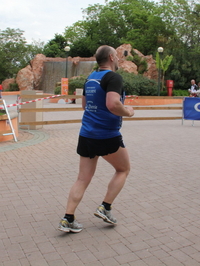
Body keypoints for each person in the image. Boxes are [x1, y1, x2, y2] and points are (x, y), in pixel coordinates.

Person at [58, 45, 135, 233]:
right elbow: (112, 104)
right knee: (123, 169)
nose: (118, 58)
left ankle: (68, 218)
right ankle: (105, 208)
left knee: (82, 179)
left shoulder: (90, 78)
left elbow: (84, 105)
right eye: (116, 56)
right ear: (110, 57)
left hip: (86, 134)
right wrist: (128, 112)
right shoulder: (114, 77)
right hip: (107, 135)